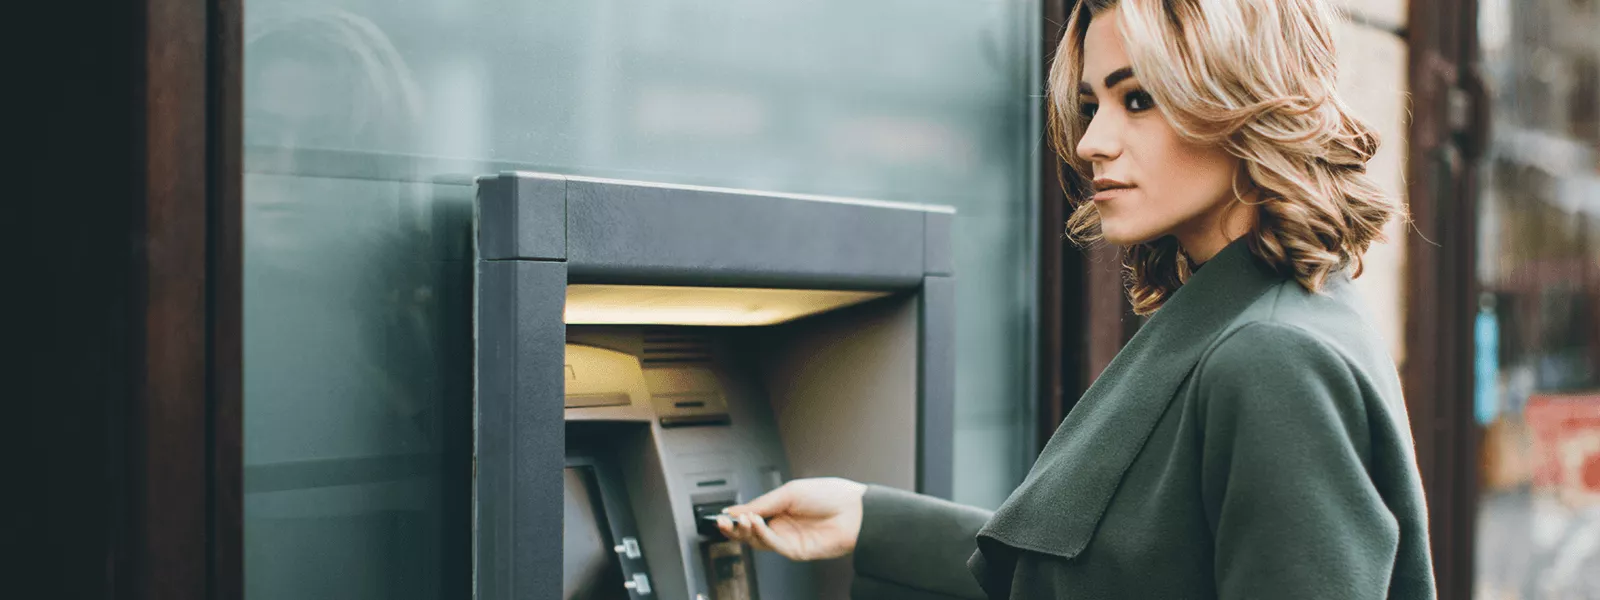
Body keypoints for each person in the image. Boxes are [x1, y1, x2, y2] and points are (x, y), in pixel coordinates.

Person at [716, 0, 1437, 597]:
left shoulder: (1272, 356)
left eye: (1139, 99)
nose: (1093, 140)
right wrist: (871, 520)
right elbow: (1117, 574)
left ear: (1241, 102)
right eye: (1093, 104)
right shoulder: (1247, 319)